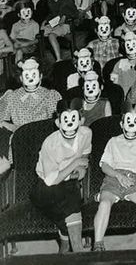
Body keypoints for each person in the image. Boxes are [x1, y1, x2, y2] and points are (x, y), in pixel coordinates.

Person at [30, 98, 92, 253]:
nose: (70, 125)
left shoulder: (86, 133)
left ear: (81, 121)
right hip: (44, 187)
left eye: (74, 119)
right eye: (65, 120)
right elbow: (51, 181)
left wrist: (82, 166)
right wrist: (75, 163)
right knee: (71, 199)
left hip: (68, 182)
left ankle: (68, 243)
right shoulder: (50, 143)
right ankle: (74, 248)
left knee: (71, 194)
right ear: (58, 123)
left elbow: (86, 153)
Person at [93, 101, 136, 251]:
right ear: (122, 124)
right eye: (128, 121)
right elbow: (105, 165)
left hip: (135, 180)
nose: (131, 124)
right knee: (104, 204)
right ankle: (98, 244)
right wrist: (119, 176)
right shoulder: (113, 141)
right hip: (113, 178)